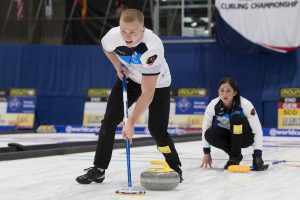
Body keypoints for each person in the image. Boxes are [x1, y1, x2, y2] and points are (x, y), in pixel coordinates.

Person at [76, 9, 182, 184]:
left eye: (132, 32)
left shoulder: (153, 47)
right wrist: (117, 66)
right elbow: (106, 48)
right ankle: (99, 169)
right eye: (124, 30)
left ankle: (174, 166)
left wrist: (131, 122)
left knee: (156, 129)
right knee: (109, 121)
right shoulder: (112, 36)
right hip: (131, 78)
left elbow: (148, 92)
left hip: (158, 84)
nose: (127, 36)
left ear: (142, 29)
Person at [200, 77, 266, 170]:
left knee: (236, 118)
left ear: (235, 92)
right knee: (209, 133)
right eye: (221, 91)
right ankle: (235, 156)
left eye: (228, 91)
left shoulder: (246, 104)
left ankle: (234, 156)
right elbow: (205, 128)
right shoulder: (213, 105)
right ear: (218, 91)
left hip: (245, 138)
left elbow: (257, 130)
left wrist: (257, 155)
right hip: (231, 137)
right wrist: (206, 153)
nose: (224, 94)